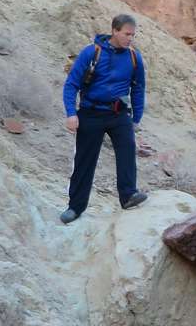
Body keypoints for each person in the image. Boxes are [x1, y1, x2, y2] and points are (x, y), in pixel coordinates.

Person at [60, 14, 148, 224]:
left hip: (119, 114)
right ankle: (75, 207)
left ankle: (128, 195)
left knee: (127, 151)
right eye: (127, 34)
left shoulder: (134, 57)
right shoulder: (92, 52)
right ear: (115, 31)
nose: (130, 39)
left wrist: (136, 118)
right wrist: (71, 113)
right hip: (90, 113)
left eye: (133, 35)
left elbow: (138, 88)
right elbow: (71, 84)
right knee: (84, 161)